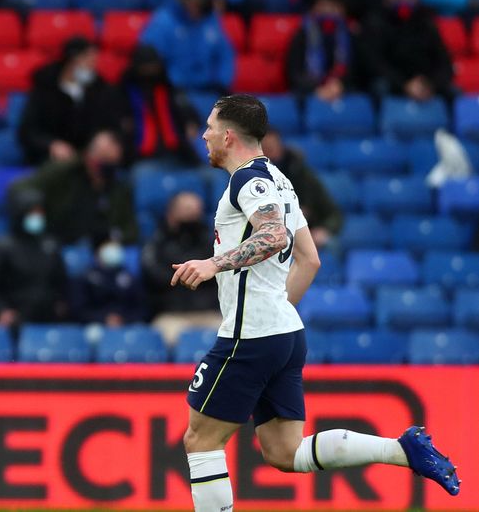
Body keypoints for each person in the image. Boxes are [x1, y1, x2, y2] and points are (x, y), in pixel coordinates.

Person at [170, 94, 460, 511]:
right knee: (284, 452)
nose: (204, 135)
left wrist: (214, 264)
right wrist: (277, 315)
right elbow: (311, 258)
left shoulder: (248, 182)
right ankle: (403, 450)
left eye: (210, 128)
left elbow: (274, 237)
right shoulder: (281, 182)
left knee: (200, 439)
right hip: (283, 331)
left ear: (229, 136)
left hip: (250, 334)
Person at [9, 130, 139, 245]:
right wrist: (34, 205)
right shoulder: (64, 171)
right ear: (90, 157)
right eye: (104, 161)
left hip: (96, 250)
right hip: (56, 239)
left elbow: (131, 231)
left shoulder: (120, 188)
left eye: (112, 163)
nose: (108, 168)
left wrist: (113, 238)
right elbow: (20, 188)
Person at [18, 36, 127, 166]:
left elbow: (114, 125)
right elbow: (28, 131)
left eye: (94, 61)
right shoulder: (45, 89)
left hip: (91, 160)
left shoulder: (102, 90)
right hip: (50, 160)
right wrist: (51, 144)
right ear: (71, 61)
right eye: (87, 61)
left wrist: (105, 138)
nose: (92, 66)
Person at [0, 189, 69, 331]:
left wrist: (60, 304)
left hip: (48, 321)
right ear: (20, 213)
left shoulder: (51, 246)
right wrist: (2, 310)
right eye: (32, 212)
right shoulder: (1, 247)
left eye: (40, 212)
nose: (37, 217)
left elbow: (61, 282)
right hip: (13, 322)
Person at [141, 191, 221, 346]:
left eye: (196, 211)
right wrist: (190, 274)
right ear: (172, 214)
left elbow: (222, 272)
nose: (192, 216)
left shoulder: (211, 241)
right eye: (187, 211)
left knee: (230, 337)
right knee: (169, 338)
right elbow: (152, 275)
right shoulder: (158, 242)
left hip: (210, 312)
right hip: (172, 314)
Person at [360, 0, 454, 102]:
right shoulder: (375, 23)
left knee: (454, 93)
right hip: (394, 83)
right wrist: (404, 84)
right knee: (379, 87)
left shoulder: (426, 23)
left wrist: (430, 84)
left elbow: (444, 62)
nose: (402, 1)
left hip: (425, 83)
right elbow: (375, 64)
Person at [139, 0, 235, 95]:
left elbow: (225, 55)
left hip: (209, 88)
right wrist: (167, 82)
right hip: (174, 90)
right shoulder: (164, 21)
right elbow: (149, 56)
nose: (193, 3)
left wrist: (221, 83)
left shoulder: (211, 20)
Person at [119, 45, 201, 167]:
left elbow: (188, 113)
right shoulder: (123, 92)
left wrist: (191, 122)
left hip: (178, 153)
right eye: (146, 68)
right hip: (139, 157)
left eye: (153, 67)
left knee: (210, 174)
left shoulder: (169, 89)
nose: (150, 72)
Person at [261, 128, 342, 249]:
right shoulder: (254, 179)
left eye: (272, 147)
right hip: (270, 235)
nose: (270, 153)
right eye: (265, 148)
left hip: (307, 232)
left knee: (331, 246)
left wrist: (324, 230)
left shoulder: (303, 176)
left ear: (281, 147)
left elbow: (333, 214)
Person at [285, 0, 359, 102]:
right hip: (308, 91)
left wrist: (340, 85)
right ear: (314, 9)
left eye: (333, 8)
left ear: (343, 11)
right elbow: (294, 73)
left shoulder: (350, 36)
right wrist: (316, 89)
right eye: (324, 7)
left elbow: (356, 71)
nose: (328, 12)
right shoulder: (302, 34)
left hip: (342, 90)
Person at [70, 233, 145, 327]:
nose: (113, 248)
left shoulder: (130, 278)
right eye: (108, 245)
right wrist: (103, 319)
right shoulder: (85, 279)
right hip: (95, 327)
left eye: (116, 245)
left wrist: (123, 319)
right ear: (97, 252)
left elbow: (141, 309)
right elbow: (79, 310)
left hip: (126, 325)